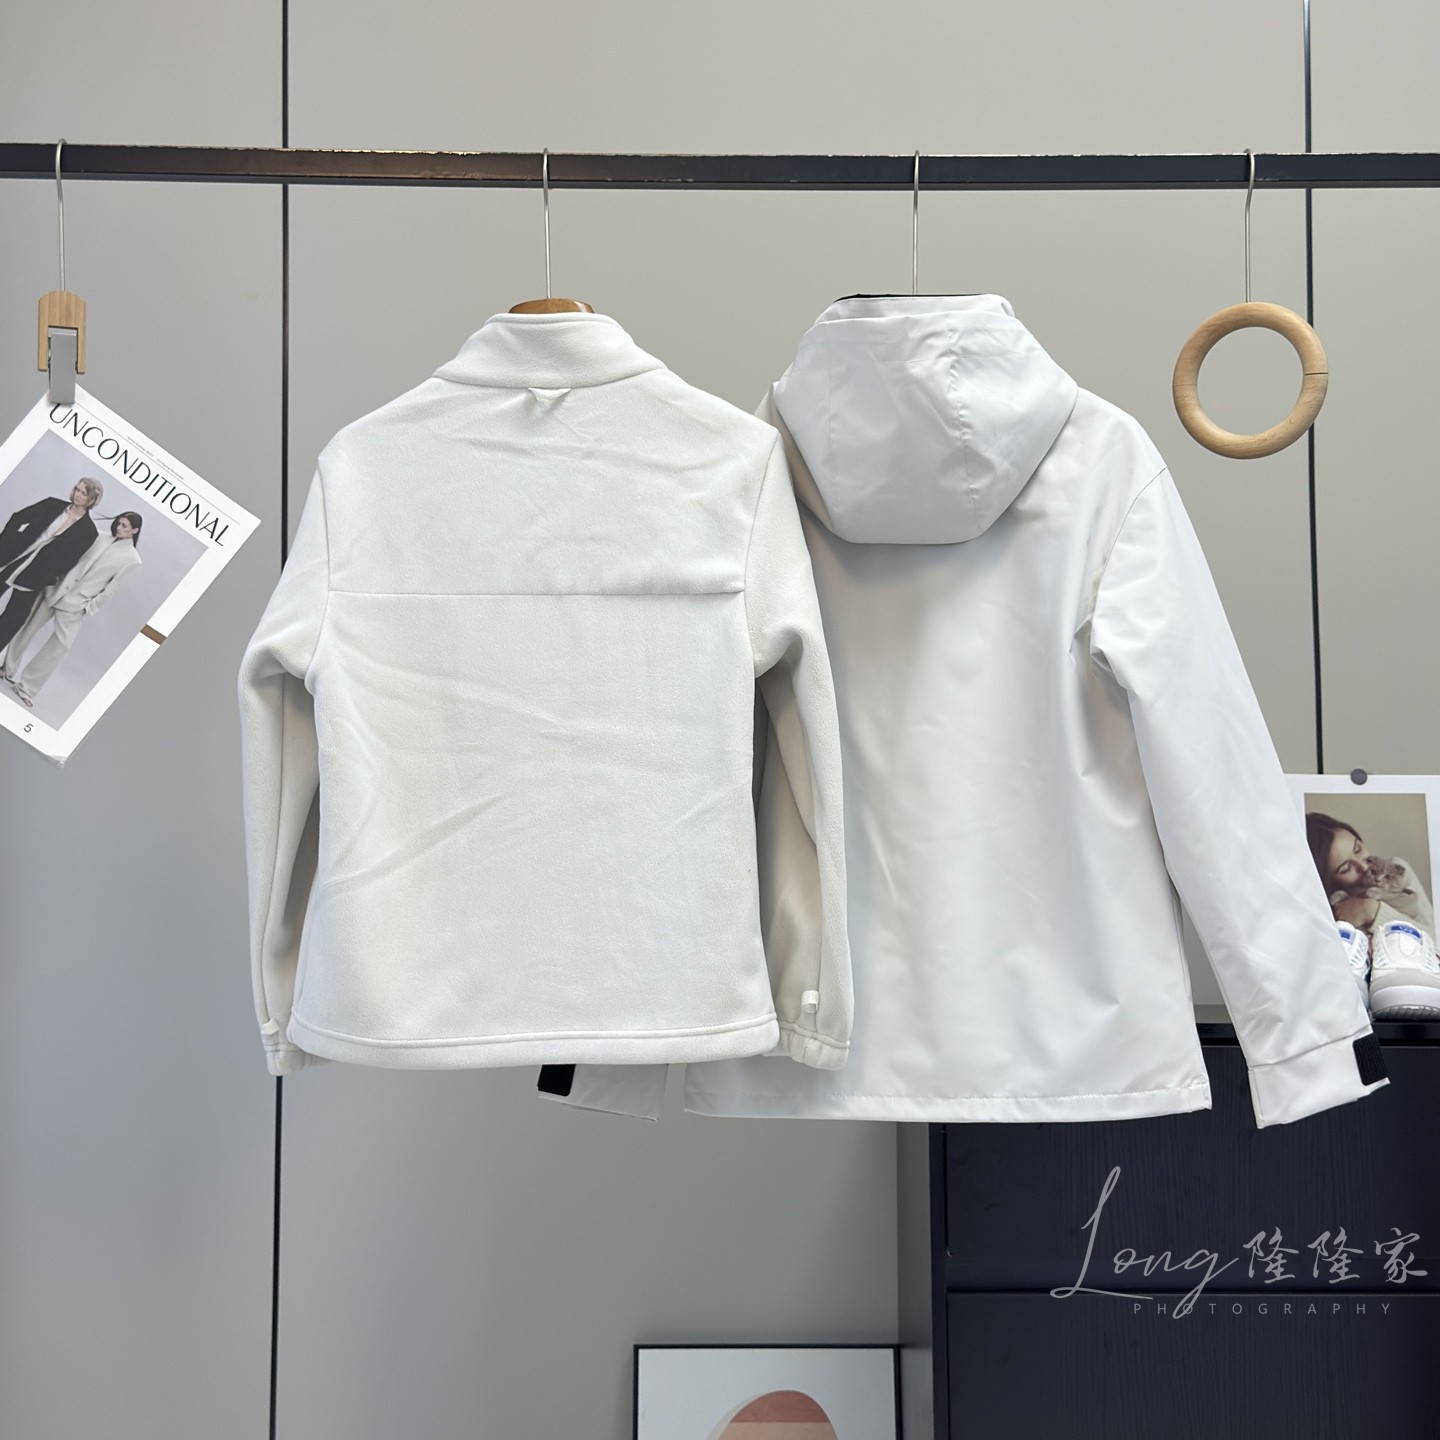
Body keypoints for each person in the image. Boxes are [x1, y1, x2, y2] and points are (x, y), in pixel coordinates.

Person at [0, 511, 143, 708]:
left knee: (61, 645)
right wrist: (53, 580)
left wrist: (88, 607)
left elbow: (112, 588)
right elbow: (72, 557)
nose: (119, 528)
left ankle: (27, 687)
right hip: (56, 590)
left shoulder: (132, 559)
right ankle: (7, 669)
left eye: (125, 526)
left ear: (135, 530)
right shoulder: (99, 536)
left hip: (77, 604)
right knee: (28, 628)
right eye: (119, 523)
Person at [0, 478, 104, 656]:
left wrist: (48, 576)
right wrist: (6, 544)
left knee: (12, 619)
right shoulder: (52, 504)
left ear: (91, 500)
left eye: (83, 493)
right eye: (77, 490)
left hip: (35, 576)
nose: (78, 495)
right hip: (14, 560)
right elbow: (18, 518)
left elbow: (70, 560)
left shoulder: (88, 531)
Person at [1305, 810, 1436, 937]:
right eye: (1346, 868)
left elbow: (1434, 938)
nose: (1363, 866)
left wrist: (1373, 912)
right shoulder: (1333, 905)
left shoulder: (1396, 871)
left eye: (1357, 849)